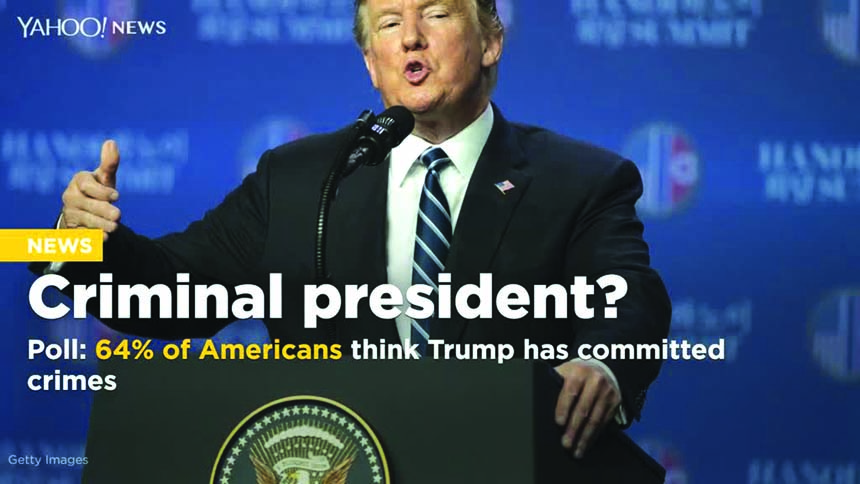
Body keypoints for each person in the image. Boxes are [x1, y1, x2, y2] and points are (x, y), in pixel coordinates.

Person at [32, 0, 671, 462]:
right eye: (390, 24)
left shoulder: (581, 177)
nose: (411, 39)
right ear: (372, 62)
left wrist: (604, 362)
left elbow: (631, 295)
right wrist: (66, 240)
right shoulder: (302, 176)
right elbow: (174, 294)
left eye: (438, 15)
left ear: (491, 41)